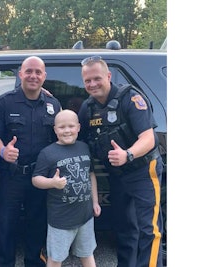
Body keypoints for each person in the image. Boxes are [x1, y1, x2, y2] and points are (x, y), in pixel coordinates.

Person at [77, 56, 164, 267]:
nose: (92, 84)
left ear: (108, 76)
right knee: (124, 228)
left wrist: (128, 154)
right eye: (87, 80)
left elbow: (148, 138)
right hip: (117, 175)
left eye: (97, 78)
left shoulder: (130, 98)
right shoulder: (87, 108)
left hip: (143, 169)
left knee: (148, 230)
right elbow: (75, 136)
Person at [0, 56, 62, 267]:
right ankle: (3, 264)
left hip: (41, 177)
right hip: (11, 175)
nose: (33, 76)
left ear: (44, 76)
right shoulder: (4, 102)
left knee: (37, 225)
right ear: (20, 74)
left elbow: (62, 136)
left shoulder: (53, 104)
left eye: (38, 72)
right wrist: (3, 151)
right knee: (6, 226)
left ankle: (34, 262)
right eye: (29, 71)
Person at [32, 109, 101, 267]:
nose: (67, 130)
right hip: (61, 220)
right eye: (62, 127)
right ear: (55, 129)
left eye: (71, 126)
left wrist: (95, 202)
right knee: (56, 258)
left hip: (85, 217)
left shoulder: (84, 147)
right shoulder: (47, 153)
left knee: (87, 253)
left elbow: (91, 175)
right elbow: (36, 179)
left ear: (78, 127)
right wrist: (52, 183)